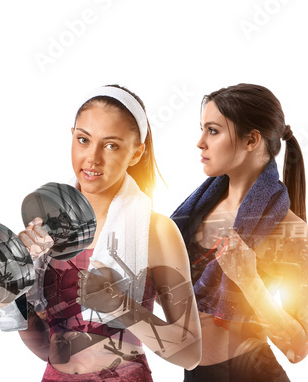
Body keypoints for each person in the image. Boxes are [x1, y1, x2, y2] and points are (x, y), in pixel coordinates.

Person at [17, 85, 202, 381]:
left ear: (136, 152)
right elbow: (45, 347)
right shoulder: (48, 227)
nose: (92, 158)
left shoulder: (156, 231)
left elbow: (190, 353)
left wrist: (121, 305)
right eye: (83, 140)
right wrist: (9, 291)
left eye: (111, 145)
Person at [170, 84, 308, 381]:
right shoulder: (191, 214)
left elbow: (297, 349)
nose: (200, 142)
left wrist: (249, 280)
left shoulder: (290, 231)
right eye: (203, 129)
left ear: (251, 140)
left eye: (213, 130)